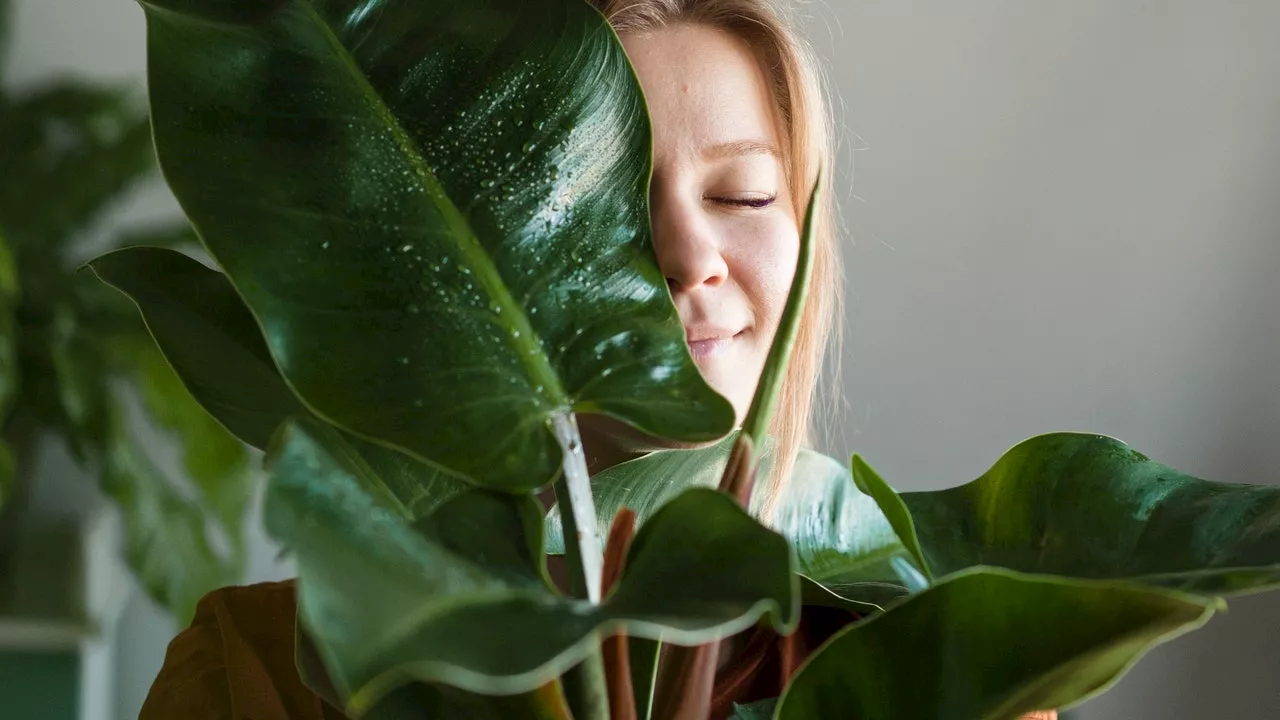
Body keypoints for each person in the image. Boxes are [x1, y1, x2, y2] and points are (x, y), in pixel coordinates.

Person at [140, 1, 1056, 718]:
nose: (689, 252)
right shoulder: (256, 676)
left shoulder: (948, 666)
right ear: (479, 257)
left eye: (743, 194)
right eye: (607, 204)